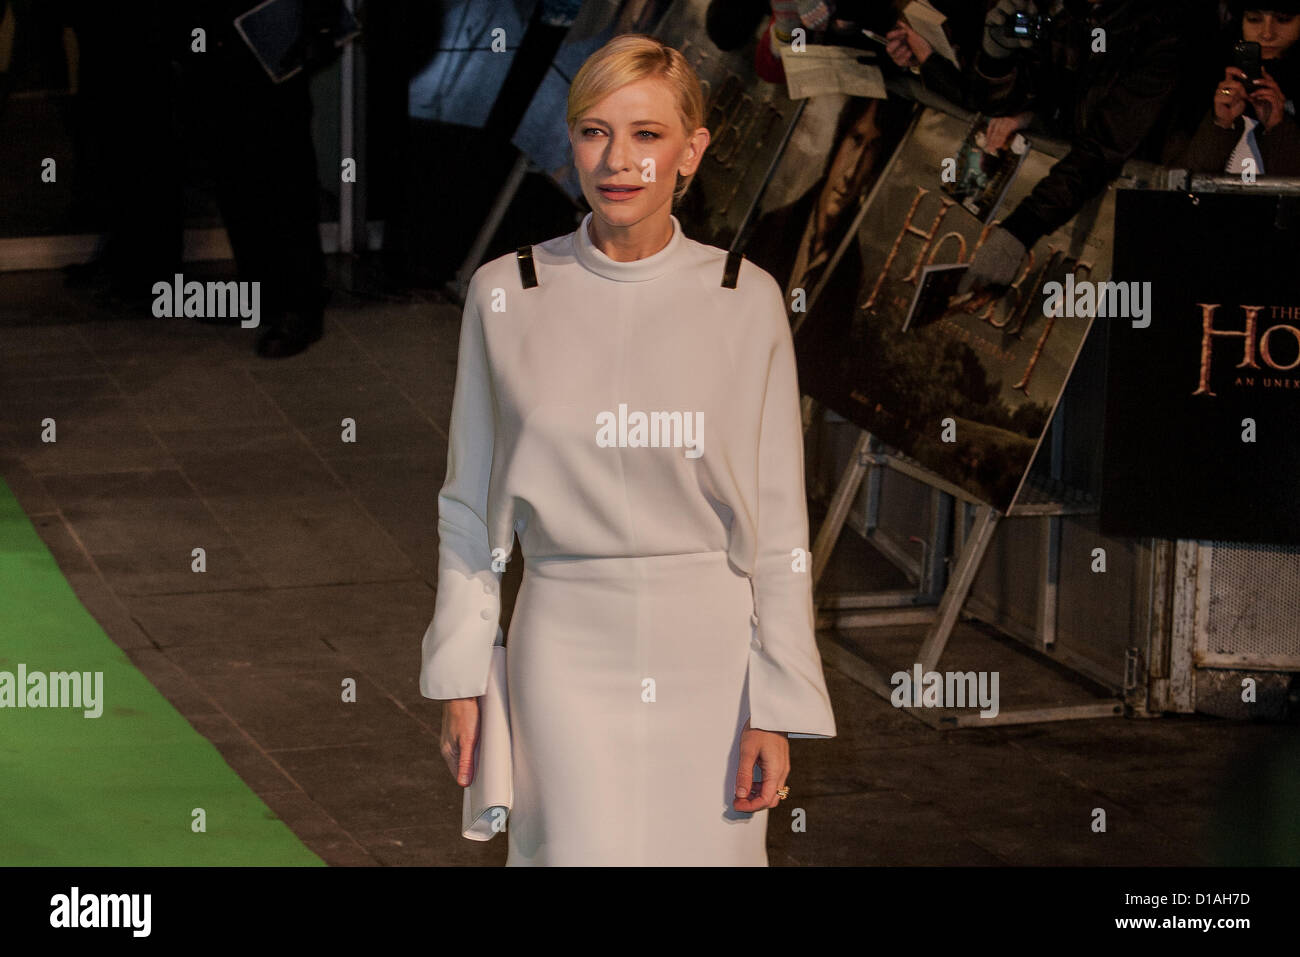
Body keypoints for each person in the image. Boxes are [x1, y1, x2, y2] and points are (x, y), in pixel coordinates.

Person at [419, 33, 837, 867]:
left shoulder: (744, 299)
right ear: (568, 141)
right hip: (563, 647)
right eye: (593, 130)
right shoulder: (507, 293)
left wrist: (778, 700)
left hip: (713, 655)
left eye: (647, 134)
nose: (618, 159)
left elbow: (784, 530)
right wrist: (462, 673)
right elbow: (468, 509)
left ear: (692, 151)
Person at [947, 0, 1189, 294]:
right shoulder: (1062, 12)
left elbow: (1104, 145)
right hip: (1063, 202)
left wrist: (1023, 227)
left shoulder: (1164, 30)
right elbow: (998, 104)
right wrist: (996, 57)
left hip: (1123, 227)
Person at [1167, 2, 1300, 175]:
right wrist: (1220, 124)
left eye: (1283, 20)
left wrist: (1278, 127)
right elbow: (1177, 180)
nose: (1267, 33)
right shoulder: (1201, 81)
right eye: (1254, 19)